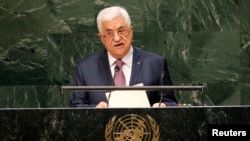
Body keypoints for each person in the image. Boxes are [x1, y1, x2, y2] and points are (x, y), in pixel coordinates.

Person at [70, 6, 178, 108]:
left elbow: (171, 103)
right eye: (109, 33)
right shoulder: (85, 68)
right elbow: (76, 107)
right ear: (102, 38)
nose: (117, 38)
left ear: (131, 31)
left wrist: (164, 106)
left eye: (121, 31)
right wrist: (95, 110)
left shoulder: (155, 64)